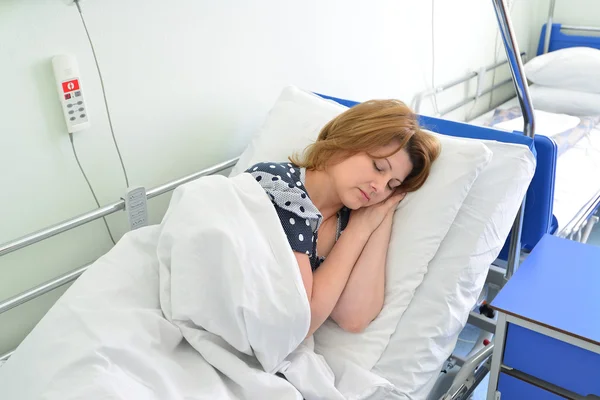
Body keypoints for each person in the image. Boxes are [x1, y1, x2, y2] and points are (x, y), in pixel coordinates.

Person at [245, 99, 440, 337]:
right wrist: (359, 231)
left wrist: (381, 215)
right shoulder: (278, 184)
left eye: (392, 184)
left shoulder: (347, 221)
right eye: (378, 167)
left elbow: (354, 318)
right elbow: (300, 322)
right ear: (348, 140)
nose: (379, 187)